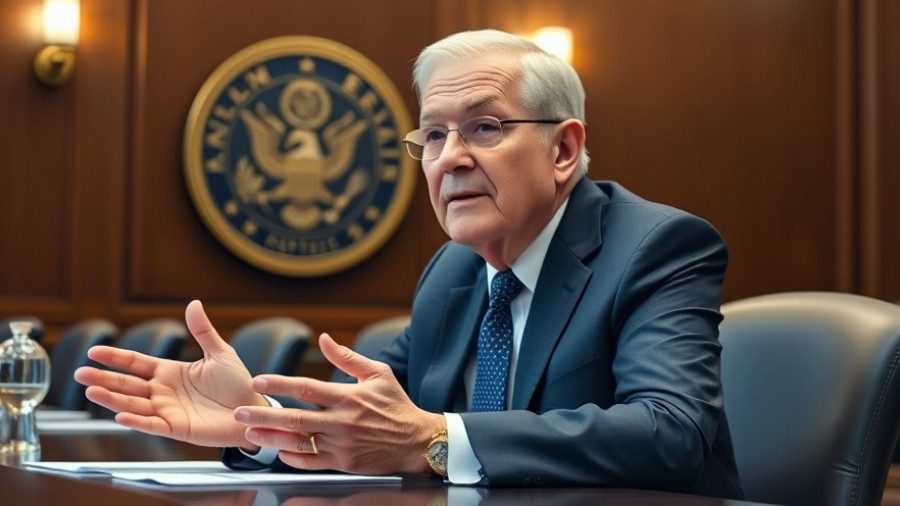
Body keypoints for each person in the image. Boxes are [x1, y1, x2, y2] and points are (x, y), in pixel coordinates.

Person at [74, 29, 743, 499]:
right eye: (434, 134)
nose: (449, 158)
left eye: (484, 127)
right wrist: (259, 419)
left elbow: (670, 433)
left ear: (563, 150)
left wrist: (435, 441)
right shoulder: (452, 271)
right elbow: (372, 419)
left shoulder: (657, 247)